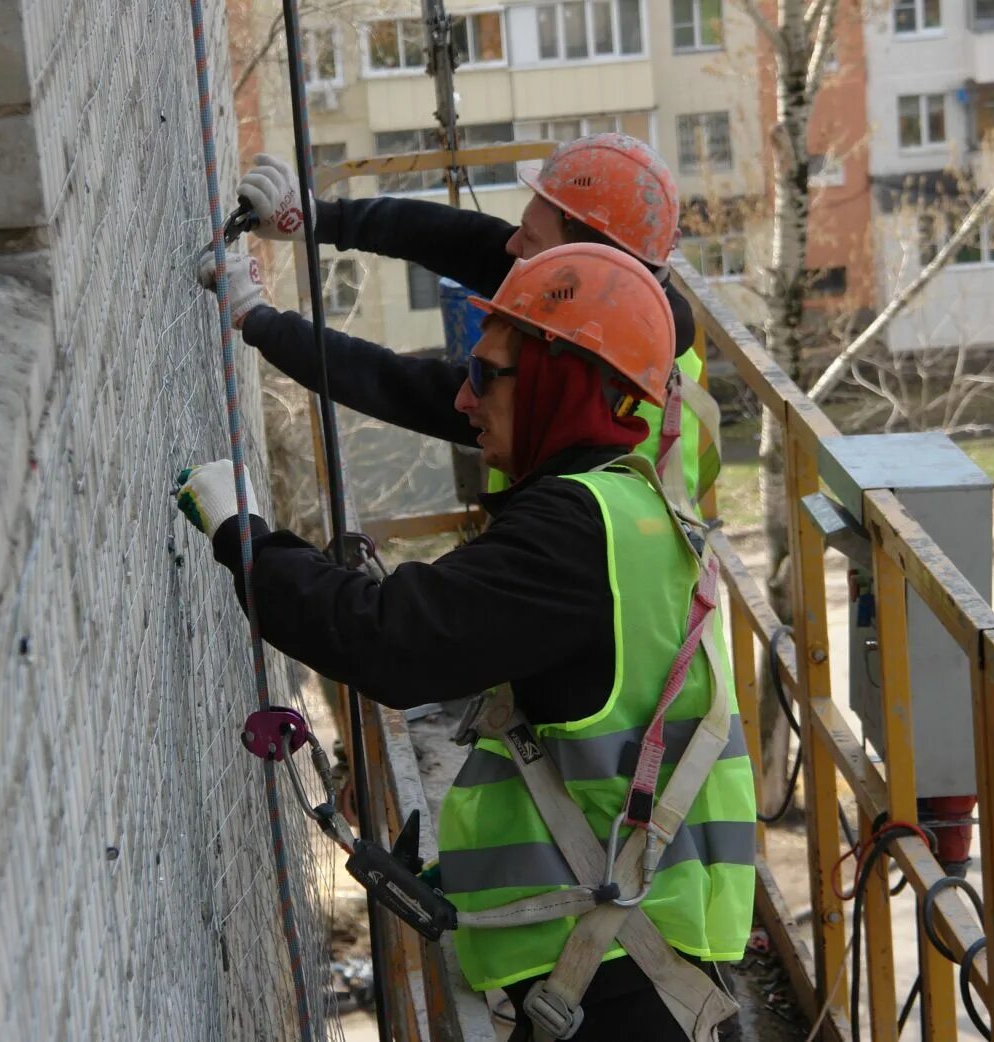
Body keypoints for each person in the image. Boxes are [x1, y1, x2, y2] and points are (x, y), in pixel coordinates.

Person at [177, 243, 754, 1040]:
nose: (462, 397)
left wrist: (247, 540)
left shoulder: (572, 534)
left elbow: (391, 642)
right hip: (639, 970)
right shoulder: (637, 512)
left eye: (486, 375)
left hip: (619, 982)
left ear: (560, 380)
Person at [224, 133, 716, 501]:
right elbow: (464, 242)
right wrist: (320, 219)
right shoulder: (614, 310)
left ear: (590, 258)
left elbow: (405, 387)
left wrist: (259, 319)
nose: (511, 247)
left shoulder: (587, 376)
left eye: (532, 240)